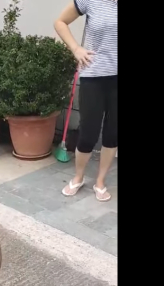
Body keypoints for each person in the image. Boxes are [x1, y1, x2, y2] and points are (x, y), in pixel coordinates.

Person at [54, 0, 118, 202]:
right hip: (94, 76)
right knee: (88, 133)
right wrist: (76, 49)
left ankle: (100, 181)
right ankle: (78, 177)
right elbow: (60, 22)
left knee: (113, 134)